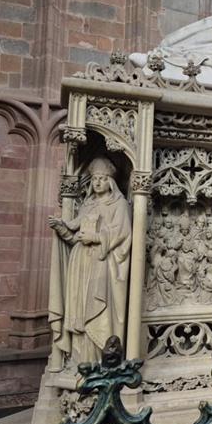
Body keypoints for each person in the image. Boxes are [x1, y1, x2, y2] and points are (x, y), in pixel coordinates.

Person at [48, 157, 131, 366]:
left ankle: (100, 359)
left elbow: (123, 233)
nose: (98, 182)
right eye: (94, 179)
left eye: (102, 178)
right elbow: (74, 234)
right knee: (80, 308)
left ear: (110, 181)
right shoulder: (87, 204)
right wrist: (61, 228)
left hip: (102, 262)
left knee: (97, 308)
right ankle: (79, 359)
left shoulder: (119, 204)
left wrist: (95, 237)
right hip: (80, 263)